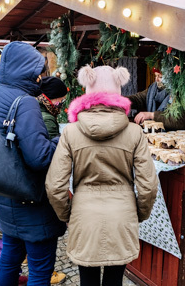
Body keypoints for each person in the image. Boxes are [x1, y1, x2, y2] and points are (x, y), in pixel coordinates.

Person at [46, 65, 159, 286]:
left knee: (87, 279)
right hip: (122, 214)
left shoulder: (70, 132)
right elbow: (148, 186)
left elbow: (54, 185)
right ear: (118, 90)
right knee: (114, 280)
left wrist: (67, 215)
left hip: (84, 214)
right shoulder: (135, 132)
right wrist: (139, 213)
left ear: (88, 89)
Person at [0, 41, 66, 286]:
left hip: (5, 196)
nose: (41, 77)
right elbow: (39, 157)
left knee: (9, 259)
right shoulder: (26, 101)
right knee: (40, 270)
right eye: (38, 70)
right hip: (30, 202)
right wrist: (61, 139)